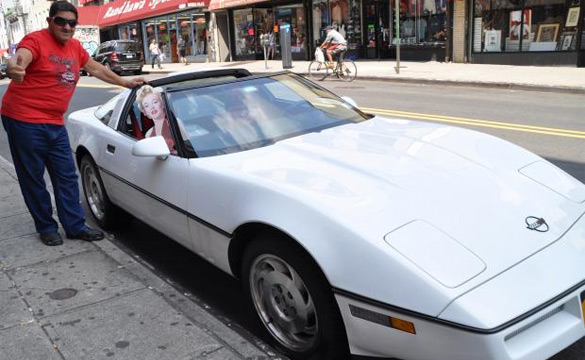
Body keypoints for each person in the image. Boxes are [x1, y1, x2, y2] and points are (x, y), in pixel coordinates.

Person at [1, 1, 146, 246]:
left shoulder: (75, 47)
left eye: (72, 22)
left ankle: (75, 226)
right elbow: (21, 57)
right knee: (33, 176)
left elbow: (97, 69)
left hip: (54, 122)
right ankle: (46, 227)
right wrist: (16, 68)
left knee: (66, 174)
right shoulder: (35, 40)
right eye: (61, 21)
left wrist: (125, 83)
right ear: (50, 21)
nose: (67, 27)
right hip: (23, 120)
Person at [136, 85, 176, 154]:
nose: (152, 107)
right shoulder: (148, 134)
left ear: (162, 104)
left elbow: (188, 149)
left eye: (155, 102)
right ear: (145, 112)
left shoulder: (176, 124)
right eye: (147, 105)